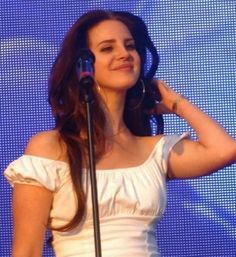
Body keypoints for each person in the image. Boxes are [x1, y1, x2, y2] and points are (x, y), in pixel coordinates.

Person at [4, 9, 236, 257]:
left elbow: (225, 150)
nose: (124, 54)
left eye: (130, 46)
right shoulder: (51, 147)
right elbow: (26, 250)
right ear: (83, 66)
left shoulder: (153, 150)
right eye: (107, 48)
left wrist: (176, 103)